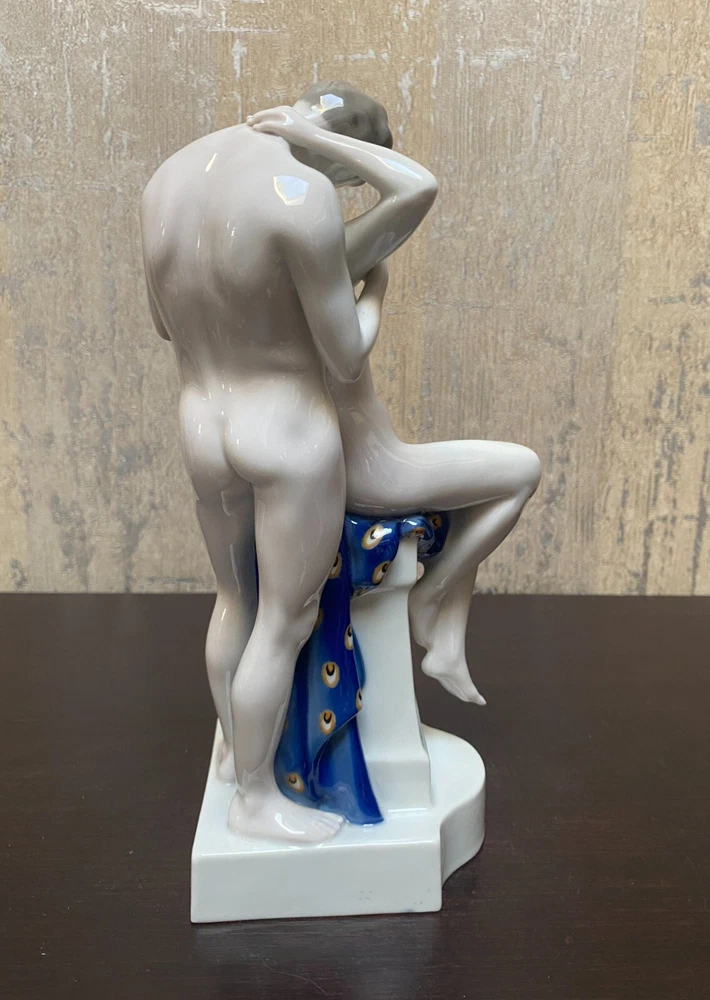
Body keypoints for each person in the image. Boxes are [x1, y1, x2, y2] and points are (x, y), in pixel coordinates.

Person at [140, 82, 436, 842]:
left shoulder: (168, 179)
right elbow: (345, 355)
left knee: (233, 601)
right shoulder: (302, 192)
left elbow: (165, 326)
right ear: (342, 155)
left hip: (203, 420)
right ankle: (255, 798)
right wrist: (373, 292)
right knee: (282, 621)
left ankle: (238, 755)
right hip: (285, 430)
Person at [250, 93, 542, 709]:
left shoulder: (266, 252)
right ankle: (432, 598)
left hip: (339, 453)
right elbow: (417, 187)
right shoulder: (321, 250)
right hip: (369, 469)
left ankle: (447, 642)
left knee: (476, 496)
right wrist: (375, 291)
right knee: (521, 469)